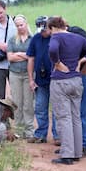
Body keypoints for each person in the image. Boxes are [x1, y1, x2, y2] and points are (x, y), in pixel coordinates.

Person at [47, 16, 86, 165]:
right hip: (76, 81)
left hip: (60, 81)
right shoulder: (77, 37)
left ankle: (67, 154)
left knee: (64, 117)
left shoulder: (56, 37)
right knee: (75, 116)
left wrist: (57, 63)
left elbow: (52, 49)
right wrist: (81, 61)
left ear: (52, 28)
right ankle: (77, 152)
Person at [26, 16, 60, 145]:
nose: (43, 32)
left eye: (45, 29)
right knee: (40, 107)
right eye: (41, 29)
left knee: (57, 108)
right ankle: (41, 134)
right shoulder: (35, 39)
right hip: (40, 80)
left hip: (56, 79)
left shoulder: (56, 38)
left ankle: (58, 135)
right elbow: (31, 59)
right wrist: (31, 79)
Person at [7, 14, 34, 139]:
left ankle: (29, 130)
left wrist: (19, 54)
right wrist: (26, 55)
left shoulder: (33, 39)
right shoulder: (12, 39)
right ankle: (18, 129)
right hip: (15, 74)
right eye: (17, 26)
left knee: (28, 103)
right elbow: (10, 57)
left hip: (28, 74)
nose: (20, 27)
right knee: (17, 102)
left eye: (21, 25)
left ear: (26, 24)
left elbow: (33, 56)